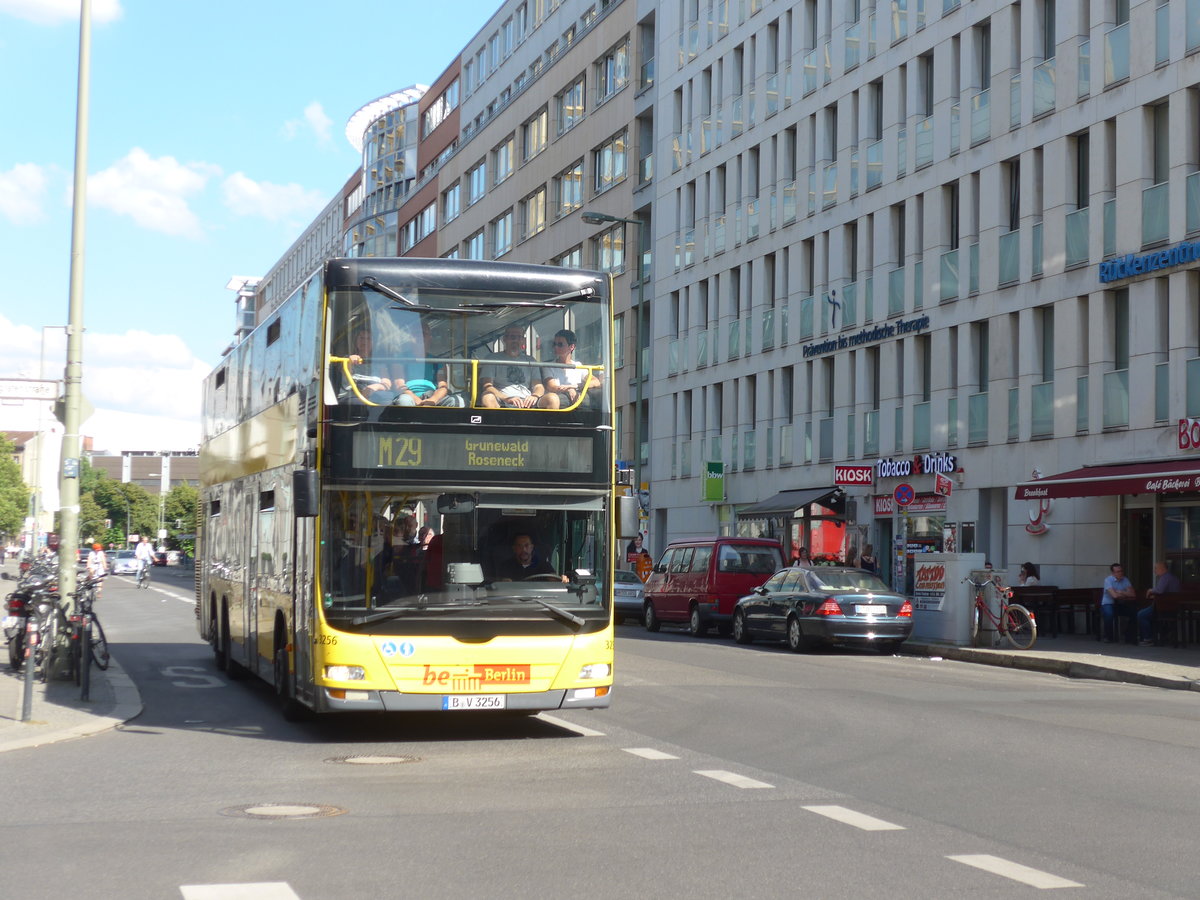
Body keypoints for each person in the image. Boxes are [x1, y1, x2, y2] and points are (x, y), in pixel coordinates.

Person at [480, 325, 543, 408]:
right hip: (502, 400)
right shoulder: (492, 358)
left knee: (552, 398)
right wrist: (507, 398)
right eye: (512, 337)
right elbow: (487, 386)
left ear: (523, 341)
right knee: (487, 397)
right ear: (504, 339)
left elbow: (538, 385)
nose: (515, 340)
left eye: (519, 337)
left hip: (527, 400)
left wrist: (534, 396)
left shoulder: (531, 360)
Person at [538, 329, 601, 409]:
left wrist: (574, 386)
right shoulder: (549, 366)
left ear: (571, 347)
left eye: (560, 344)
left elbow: (595, 381)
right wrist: (568, 390)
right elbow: (551, 386)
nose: (556, 347)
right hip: (559, 400)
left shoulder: (578, 365)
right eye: (554, 344)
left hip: (575, 398)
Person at [1138, 559, 1181, 646]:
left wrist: (1150, 590)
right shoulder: (1174, 578)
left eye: (1156, 568)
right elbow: (1166, 593)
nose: (1154, 571)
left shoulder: (1165, 577)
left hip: (1162, 608)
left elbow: (1160, 591)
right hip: (1173, 608)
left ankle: (1148, 639)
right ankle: (1161, 636)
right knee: (1148, 614)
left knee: (1141, 614)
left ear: (1162, 569)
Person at [494, 533, 567, 582]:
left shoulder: (544, 565)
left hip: (540, 601)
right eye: (519, 546)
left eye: (526, 545)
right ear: (514, 548)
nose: (523, 550)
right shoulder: (506, 566)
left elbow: (553, 578)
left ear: (532, 547)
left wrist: (561, 579)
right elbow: (498, 585)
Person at [1102, 562, 1138, 643]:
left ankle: (1128, 636)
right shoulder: (1108, 580)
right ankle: (1108, 637)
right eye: (1118, 571)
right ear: (1113, 573)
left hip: (1121, 604)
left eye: (1121, 571)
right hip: (1108, 603)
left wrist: (1120, 592)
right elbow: (1114, 596)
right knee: (1109, 614)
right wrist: (1125, 594)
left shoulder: (1125, 580)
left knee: (1134, 613)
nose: (1120, 573)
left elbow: (1133, 594)